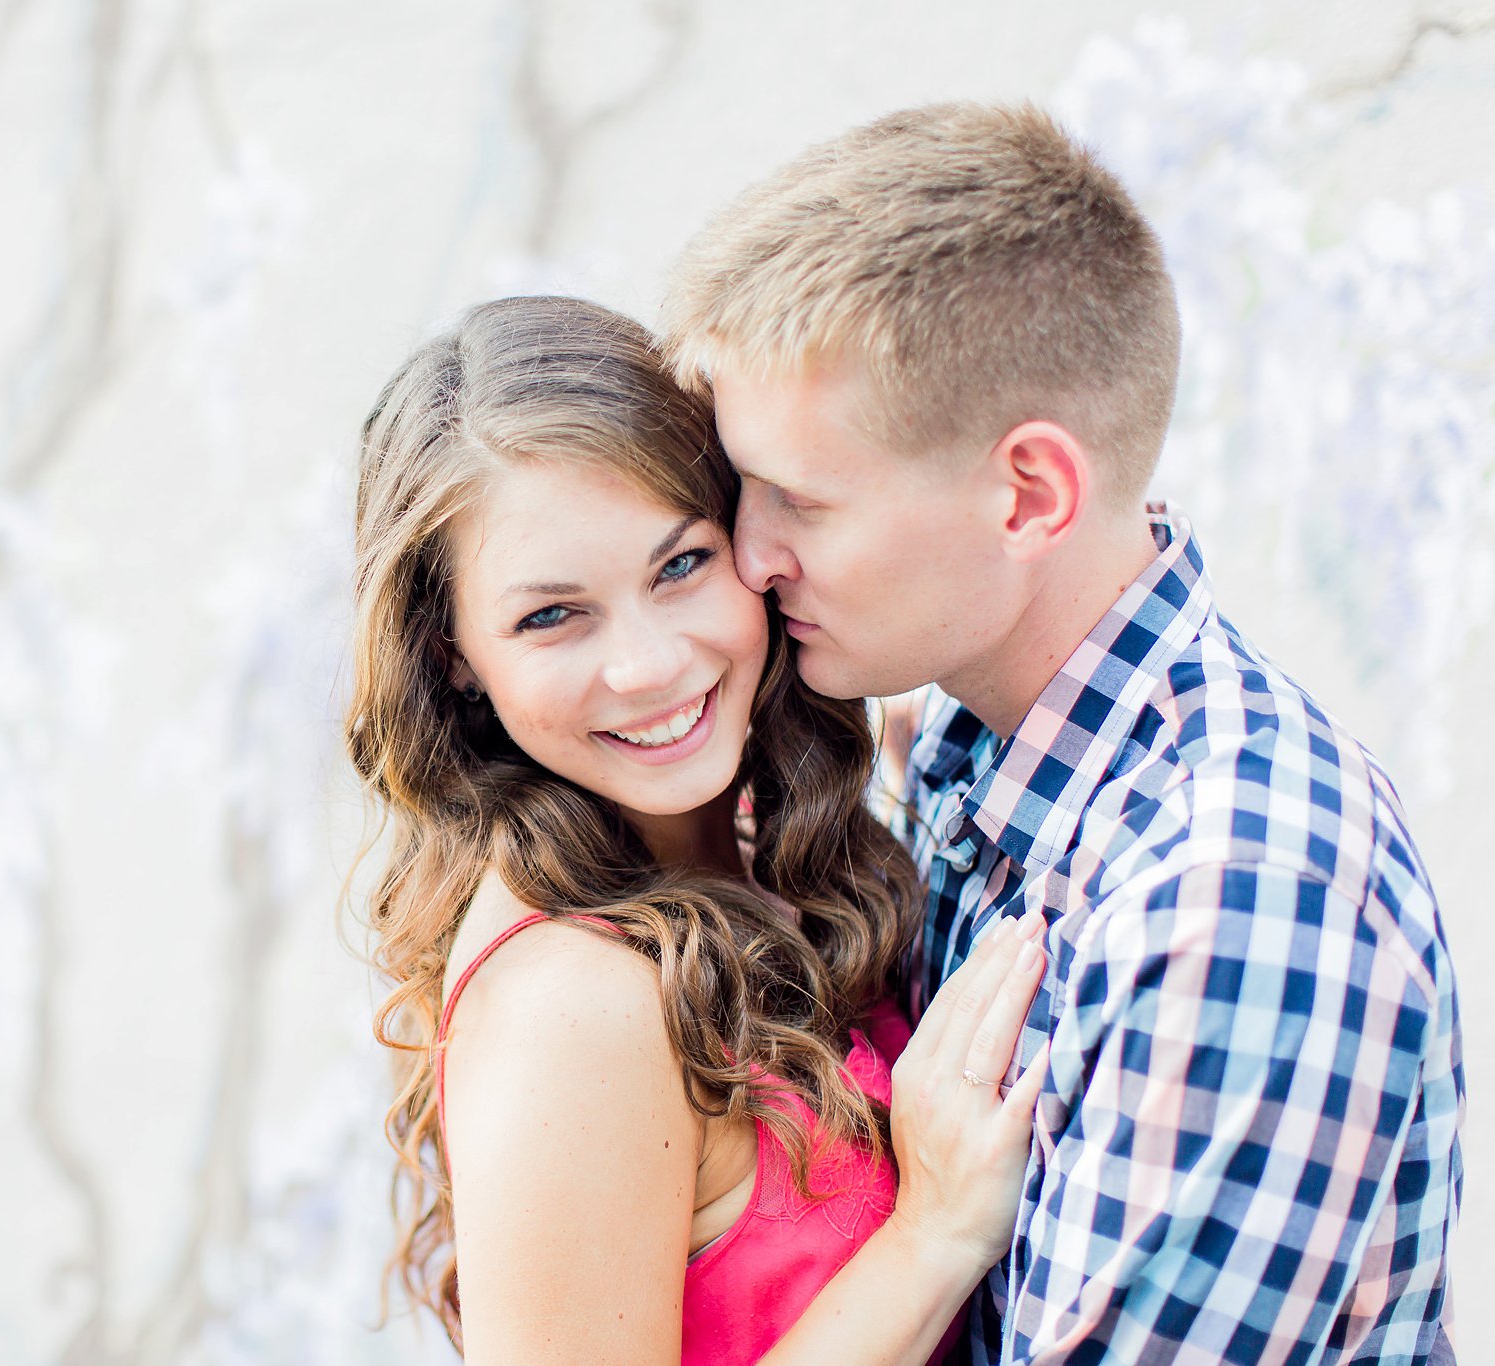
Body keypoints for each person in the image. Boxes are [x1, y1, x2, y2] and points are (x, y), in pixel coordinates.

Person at [661, 102, 1463, 1363]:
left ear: (1027, 494)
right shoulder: (961, 753)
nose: (749, 557)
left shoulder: (1234, 898)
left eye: (798, 500)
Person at [346, 294, 1047, 1364]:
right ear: (453, 658)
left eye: (678, 566)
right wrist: (934, 1234)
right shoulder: (571, 1003)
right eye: (551, 615)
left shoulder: (761, 846)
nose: (649, 666)